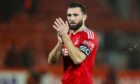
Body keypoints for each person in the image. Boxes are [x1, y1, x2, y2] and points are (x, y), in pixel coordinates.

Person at [48, 2, 98, 84]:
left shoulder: (89, 35)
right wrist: (59, 44)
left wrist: (64, 36)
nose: (71, 18)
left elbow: (78, 59)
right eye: (69, 15)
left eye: (75, 15)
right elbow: (51, 61)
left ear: (84, 17)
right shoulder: (67, 35)